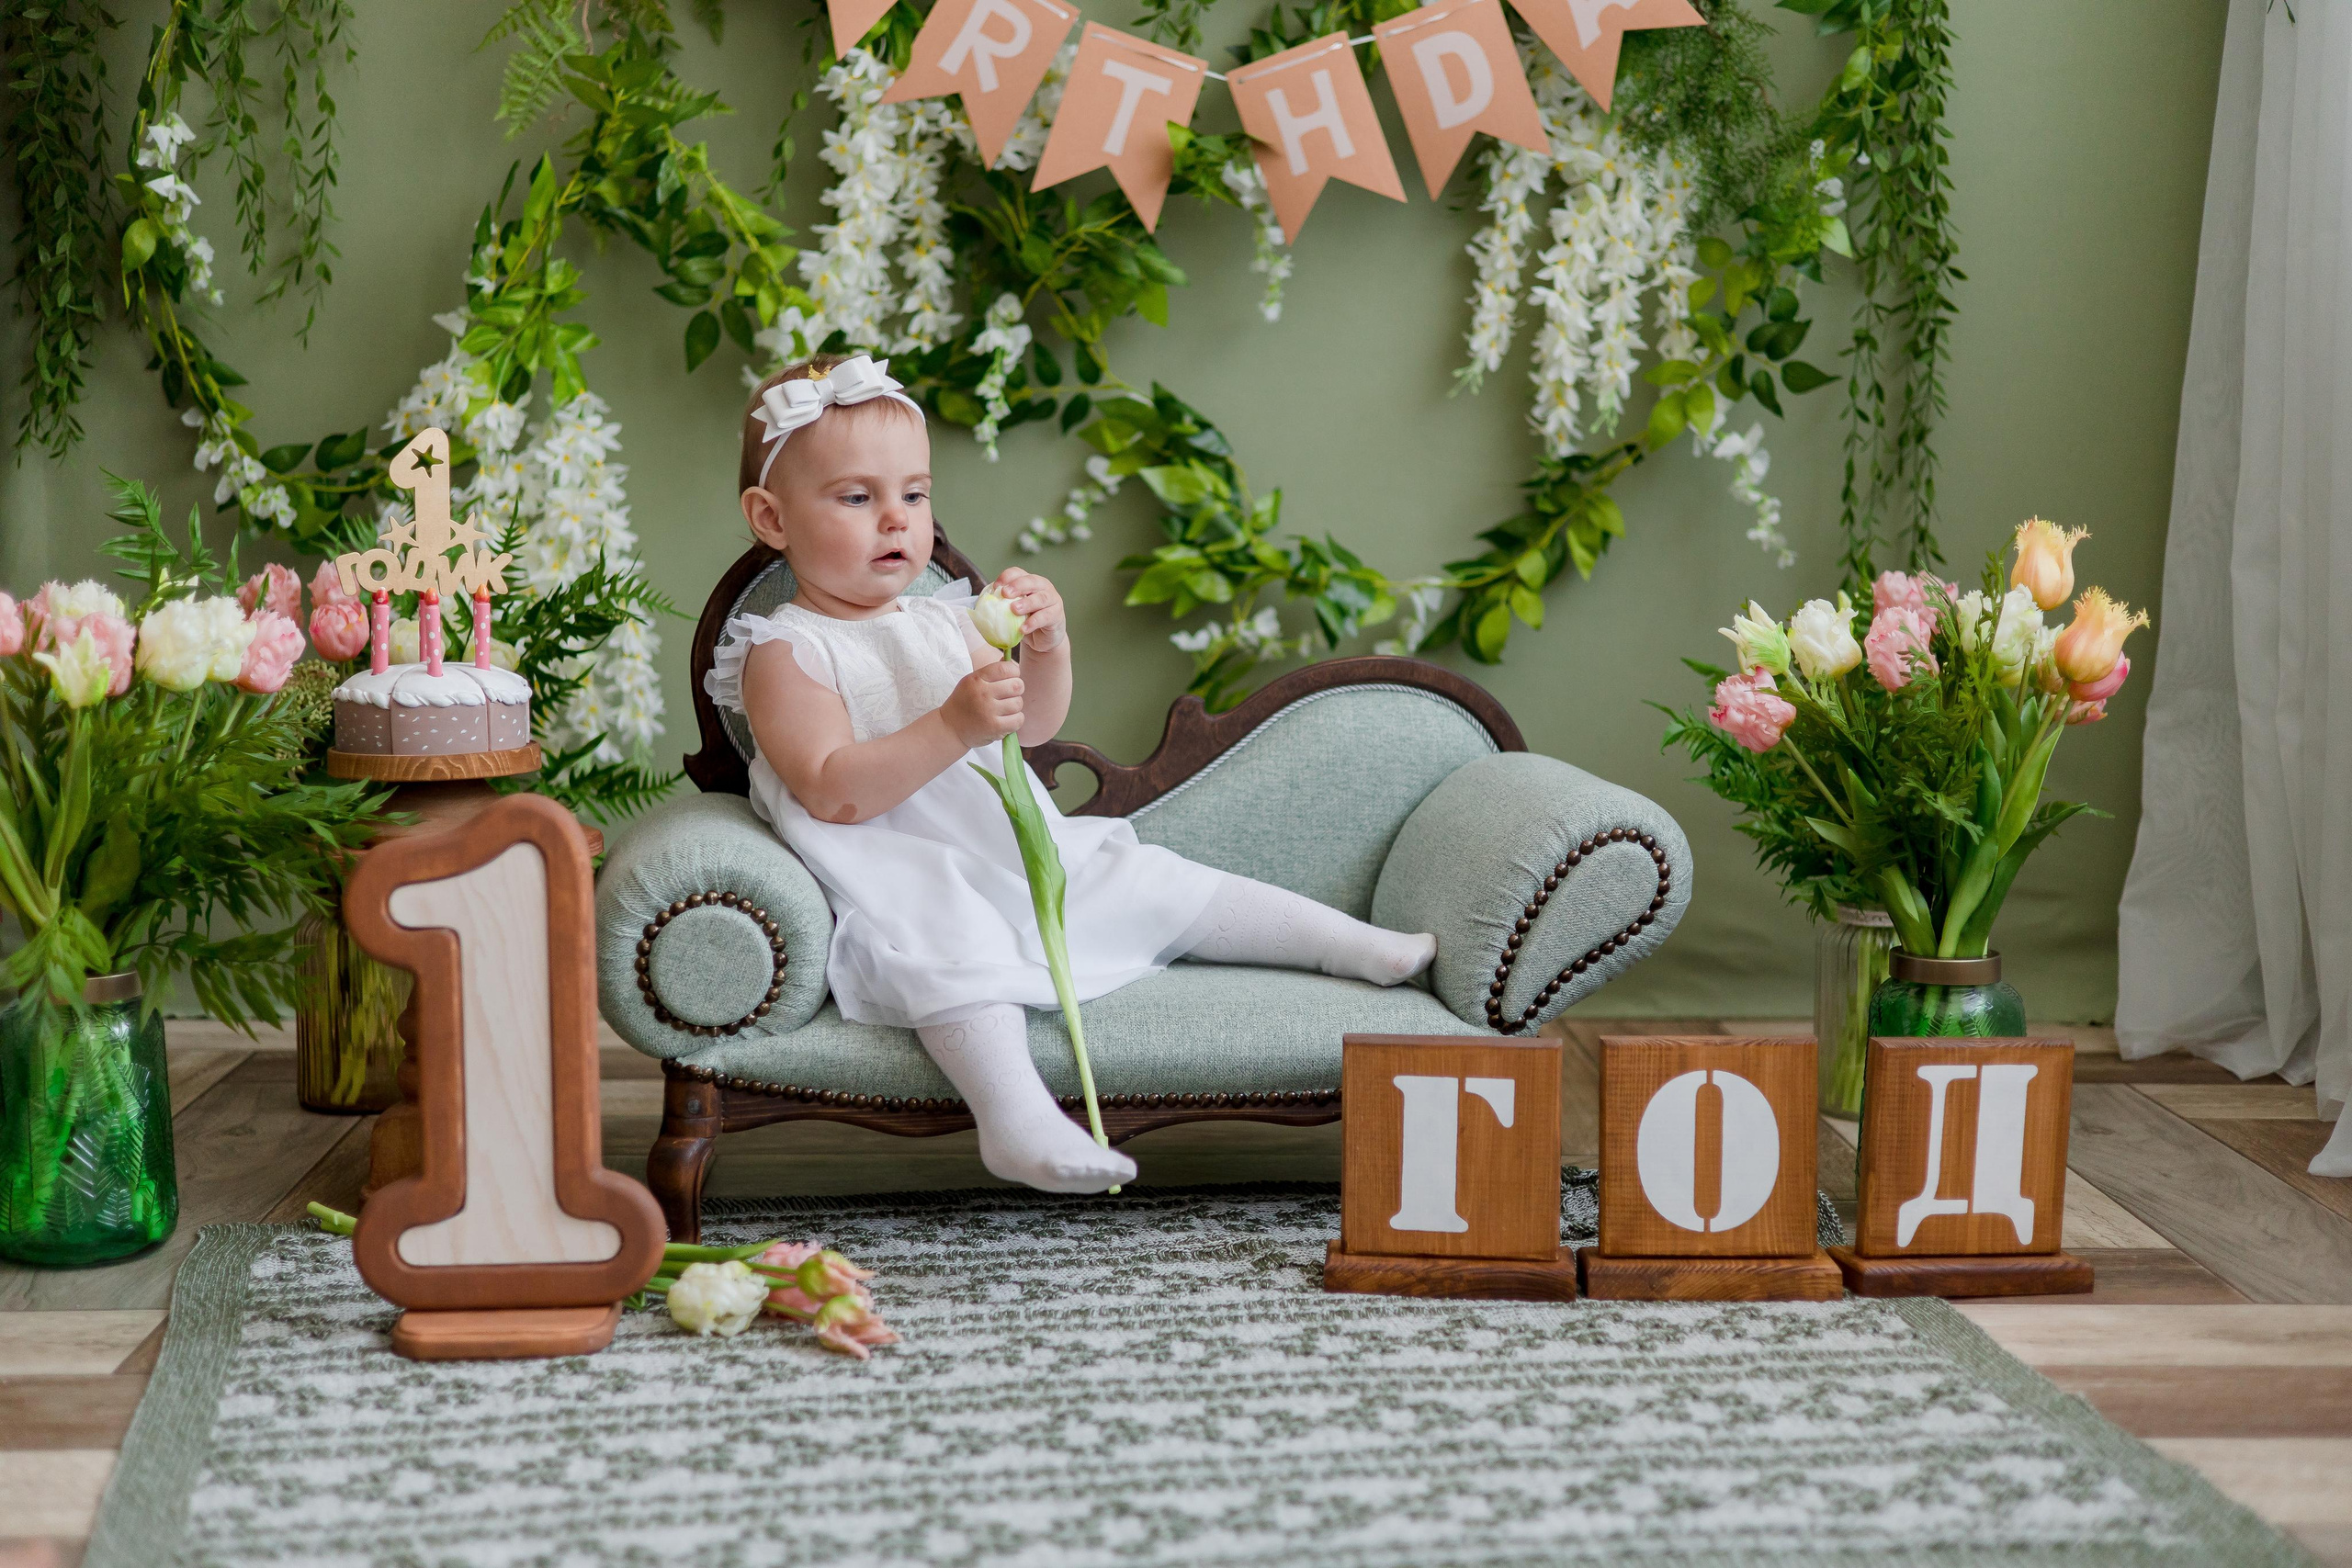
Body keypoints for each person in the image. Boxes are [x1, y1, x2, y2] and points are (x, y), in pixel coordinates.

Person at [706, 353, 1437, 1194]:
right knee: (954, 951)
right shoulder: (784, 651)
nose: (896, 521)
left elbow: (1039, 722)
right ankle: (1014, 1122)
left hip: (1014, 846)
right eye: (857, 497)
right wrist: (950, 724)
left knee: (1150, 878)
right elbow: (832, 788)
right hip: (901, 869)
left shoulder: (947, 621)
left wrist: (1045, 647)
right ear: (772, 517)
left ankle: (1346, 946)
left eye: (914, 493)